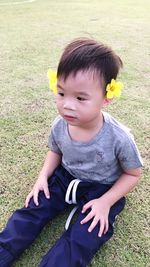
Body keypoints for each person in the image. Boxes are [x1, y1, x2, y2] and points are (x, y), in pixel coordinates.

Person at [0, 38, 143, 267]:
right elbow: (55, 150)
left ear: (106, 98)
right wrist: (42, 177)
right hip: (65, 178)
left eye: (80, 98)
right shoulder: (59, 124)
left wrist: (106, 202)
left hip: (102, 189)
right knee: (31, 211)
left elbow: (133, 174)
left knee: (85, 235)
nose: (67, 105)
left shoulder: (119, 137)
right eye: (61, 93)